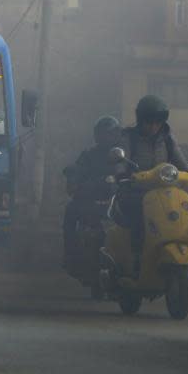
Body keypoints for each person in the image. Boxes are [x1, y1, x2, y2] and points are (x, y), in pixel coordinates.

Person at [117, 95, 188, 274]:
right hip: (137, 192)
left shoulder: (167, 138)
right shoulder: (129, 137)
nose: (154, 127)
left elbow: (180, 161)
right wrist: (121, 174)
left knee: (183, 212)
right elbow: (121, 162)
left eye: (157, 122)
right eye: (149, 122)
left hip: (165, 192)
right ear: (141, 120)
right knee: (138, 217)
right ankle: (136, 256)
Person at [62, 115, 120, 276]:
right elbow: (77, 168)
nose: (105, 137)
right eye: (102, 133)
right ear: (96, 135)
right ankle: (70, 254)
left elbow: (134, 171)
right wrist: (73, 176)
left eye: (109, 133)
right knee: (70, 211)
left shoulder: (123, 155)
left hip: (117, 200)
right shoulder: (89, 154)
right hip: (90, 199)